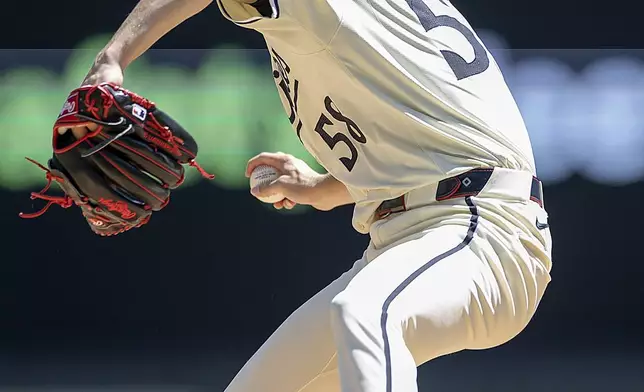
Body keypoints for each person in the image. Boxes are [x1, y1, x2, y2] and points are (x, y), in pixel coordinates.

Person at [69, 0, 553, 390]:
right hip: (421, 232)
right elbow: (426, 143)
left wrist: (113, 57)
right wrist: (322, 187)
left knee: (367, 314)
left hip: (483, 230)